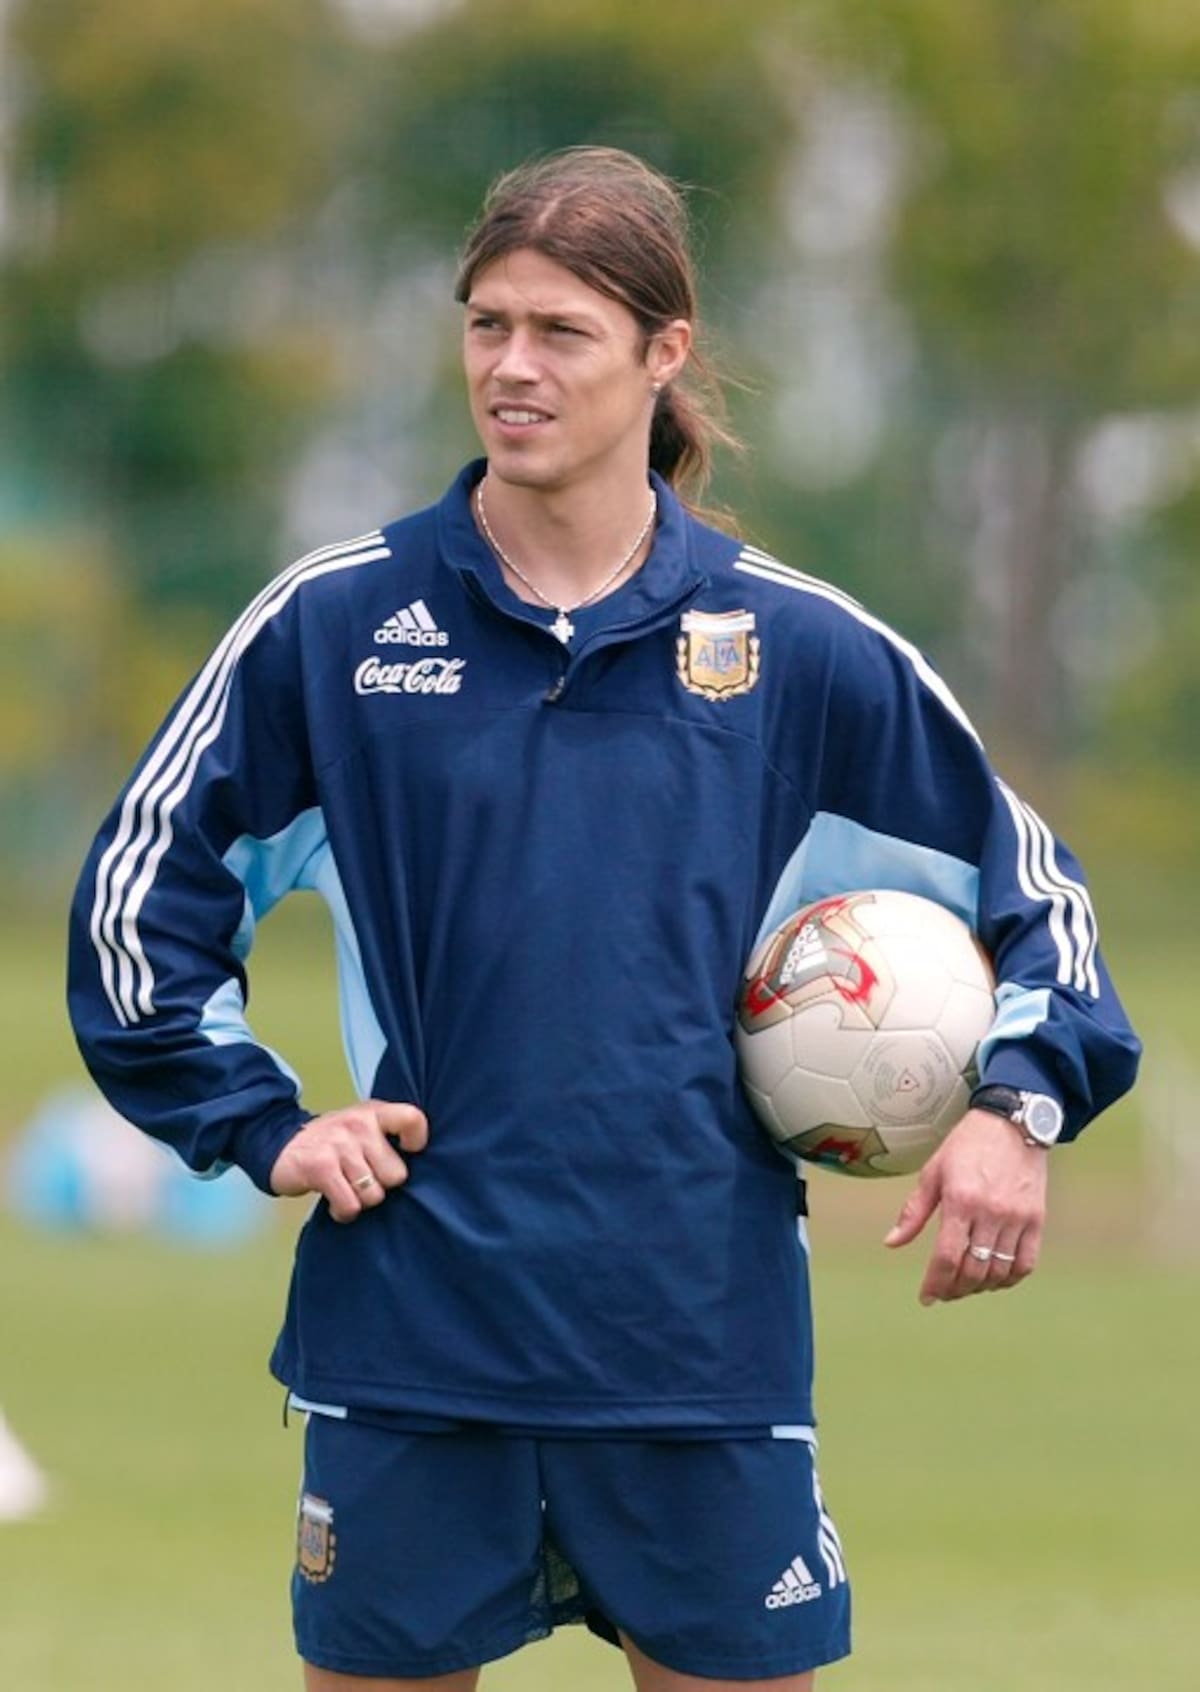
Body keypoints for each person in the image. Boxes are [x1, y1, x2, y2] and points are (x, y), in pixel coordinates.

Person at [67, 146, 1140, 1691]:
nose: (512, 366)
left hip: (695, 1351)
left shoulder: (798, 653)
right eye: (486, 323)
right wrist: (261, 1122)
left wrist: (1014, 1110)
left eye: (561, 331)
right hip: (417, 1342)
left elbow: (1036, 895)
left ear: (664, 352)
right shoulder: (342, 629)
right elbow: (137, 902)